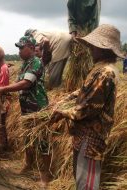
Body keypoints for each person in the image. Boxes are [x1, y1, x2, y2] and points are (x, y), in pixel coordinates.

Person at [50, 24, 125, 190]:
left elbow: (89, 108)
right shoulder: (98, 69)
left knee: (87, 185)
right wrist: (68, 98)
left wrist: (63, 112)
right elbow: (86, 90)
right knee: (80, 180)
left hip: (92, 138)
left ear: (104, 49)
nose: (90, 48)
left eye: (94, 45)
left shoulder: (106, 72)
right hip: (82, 136)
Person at [0, 36, 50, 186]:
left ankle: (45, 175)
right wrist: (8, 92)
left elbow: (25, 84)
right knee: (27, 138)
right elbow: (19, 84)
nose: (18, 51)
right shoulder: (25, 64)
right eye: (18, 48)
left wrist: (3, 88)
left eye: (21, 48)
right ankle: (28, 164)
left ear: (31, 48)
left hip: (38, 108)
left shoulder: (36, 63)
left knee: (42, 141)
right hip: (26, 108)